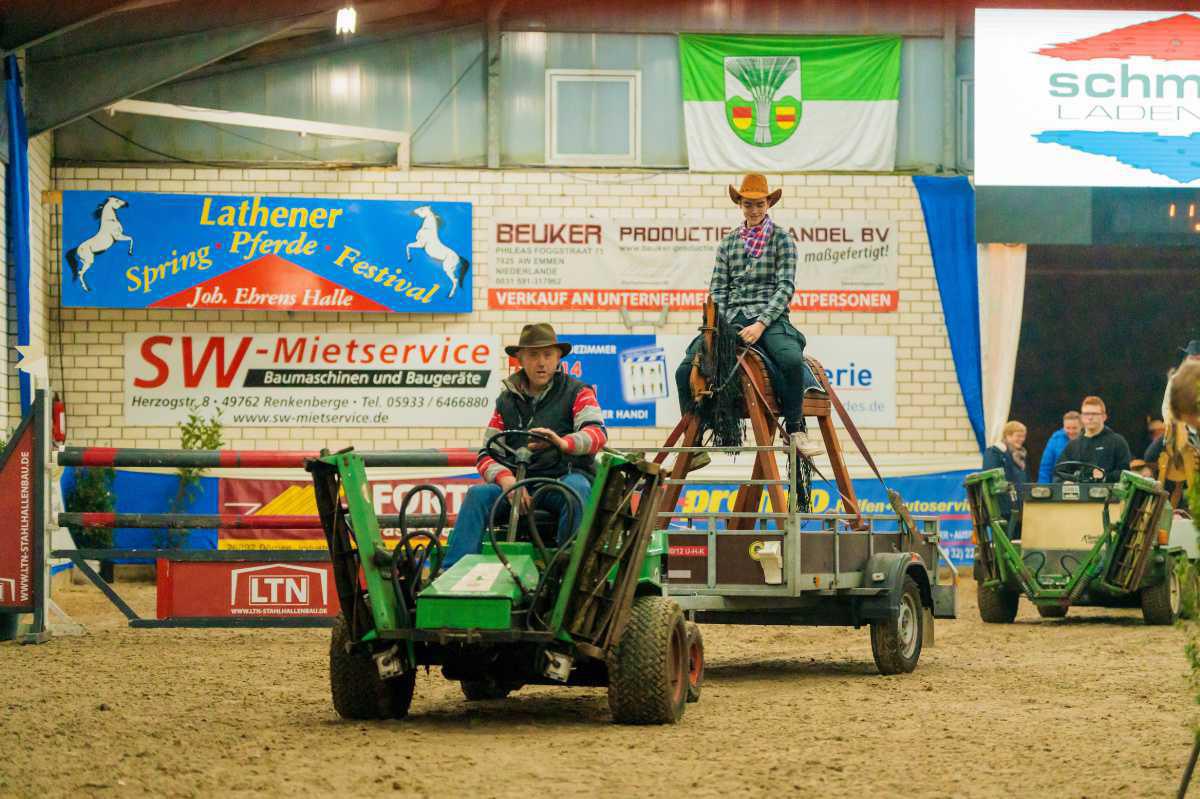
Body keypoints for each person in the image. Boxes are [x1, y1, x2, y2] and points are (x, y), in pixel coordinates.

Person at [674, 173, 821, 457]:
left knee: (790, 360)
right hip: (730, 319)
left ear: (768, 204)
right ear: (740, 204)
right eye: (748, 204)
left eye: (759, 204)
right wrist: (724, 324)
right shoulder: (728, 243)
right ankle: (694, 443)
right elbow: (718, 288)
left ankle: (795, 430)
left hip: (771, 318)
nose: (754, 209)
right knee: (684, 371)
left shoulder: (783, 240)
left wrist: (761, 323)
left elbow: (785, 286)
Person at [442, 323, 607, 570]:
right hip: (519, 485)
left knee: (576, 490)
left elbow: (596, 434)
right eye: (533, 355)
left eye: (547, 354)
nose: (541, 362)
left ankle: (567, 576)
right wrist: (507, 481)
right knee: (477, 495)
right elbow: (486, 454)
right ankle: (452, 574)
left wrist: (562, 443)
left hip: (562, 480)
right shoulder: (506, 401)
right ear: (519, 359)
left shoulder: (578, 392)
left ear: (558, 357)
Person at [1054, 395, 1132, 483]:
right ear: (1082, 417)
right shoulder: (1073, 445)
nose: (1090, 418)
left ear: (1104, 417)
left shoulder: (1117, 442)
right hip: (1078, 495)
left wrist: (1105, 476)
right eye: (1086, 414)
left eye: (1094, 414)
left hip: (1108, 495)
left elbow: (1126, 473)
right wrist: (1065, 482)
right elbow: (1058, 474)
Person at [983, 420, 1029, 538]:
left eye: (1023, 436)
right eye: (1018, 436)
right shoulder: (995, 453)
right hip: (1002, 509)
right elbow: (991, 478)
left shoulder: (1021, 456)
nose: (1021, 439)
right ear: (1008, 435)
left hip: (1018, 510)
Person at [1036, 411, 1082, 483]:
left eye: (1074, 428)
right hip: (1059, 484)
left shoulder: (1087, 439)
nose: (1071, 431)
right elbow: (1046, 467)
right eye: (1068, 428)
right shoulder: (1055, 440)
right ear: (1063, 426)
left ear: (1081, 426)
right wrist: (1043, 488)